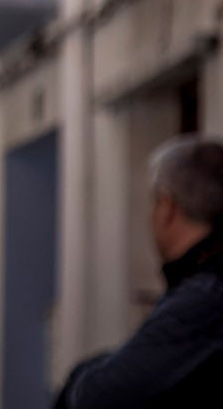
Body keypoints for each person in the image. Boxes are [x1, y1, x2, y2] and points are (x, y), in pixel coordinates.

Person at [57, 135, 223, 409]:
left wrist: (78, 377)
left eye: (155, 201)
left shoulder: (204, 295)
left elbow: (96, 393)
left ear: (168, 207)